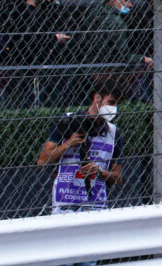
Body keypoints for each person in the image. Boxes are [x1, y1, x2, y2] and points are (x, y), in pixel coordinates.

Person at [38, 85, 121, 213]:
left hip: (96, 203)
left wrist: (99, 171)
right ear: (97, 98)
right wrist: (68, 144)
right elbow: (42, 160)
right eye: (111, 102)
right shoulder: (67, 121)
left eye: (116, 104)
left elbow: (118, 177)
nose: (113, 108)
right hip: (65, 200)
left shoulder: (113, 132)